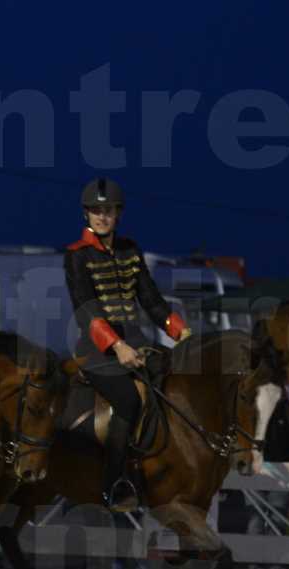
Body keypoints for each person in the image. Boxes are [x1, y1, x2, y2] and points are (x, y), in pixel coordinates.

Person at [64, 177, 191, 513]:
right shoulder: (77, 256)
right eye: (96, 211)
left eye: (108, 211)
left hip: (138, 343)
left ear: (118, 214)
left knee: (176, 386)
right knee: (129, 401)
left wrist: (182, 333)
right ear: (86, 214)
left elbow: (151, 300)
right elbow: (86, 311)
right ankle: (113, 485)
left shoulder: (130, 250)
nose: (102, 217)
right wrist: (116, 345)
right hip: (97, 351)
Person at [240, 385, 289, 569]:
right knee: (254, 528)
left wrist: (287, 468)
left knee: (276, 528)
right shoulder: (253, 409)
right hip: (256, 476)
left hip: (280, 478)